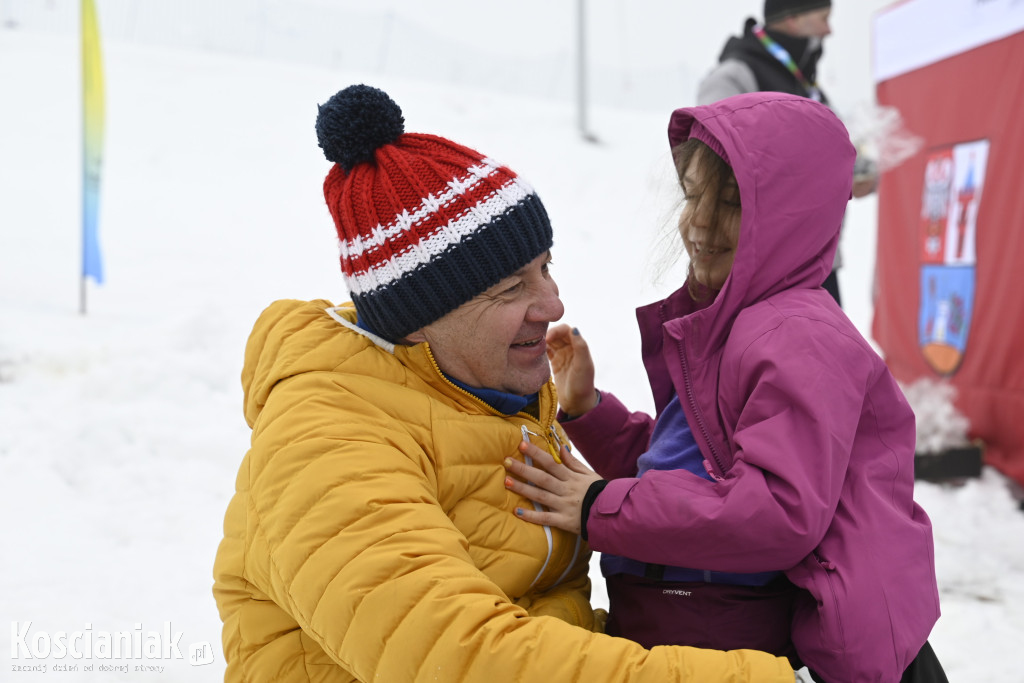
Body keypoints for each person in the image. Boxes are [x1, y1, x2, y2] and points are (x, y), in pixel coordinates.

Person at [211, 84, 795, 682]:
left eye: (546, 268)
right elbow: (468, 658)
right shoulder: (327, 446)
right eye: (512, 287)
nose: (553, 302)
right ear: (418, 319)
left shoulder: (482, 394)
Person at [504, 92, 946, 682]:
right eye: (693, 195)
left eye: (734, 202)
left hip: (737, 638)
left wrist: (596, 505)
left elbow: (776, 513)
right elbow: (698, 473)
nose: (701, 221)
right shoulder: (740, 324)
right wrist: (591, 413)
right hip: (699, 628)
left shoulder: (795, 337)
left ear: (795, 214)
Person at [696, 0, 878, 307]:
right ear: (793, 18)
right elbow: (712, 168)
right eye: (823, 17)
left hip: (818, 266)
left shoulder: (805, 84)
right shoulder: (736, 75)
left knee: (827, 355)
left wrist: (852, 174)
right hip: (766, 275)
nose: (829, 30)